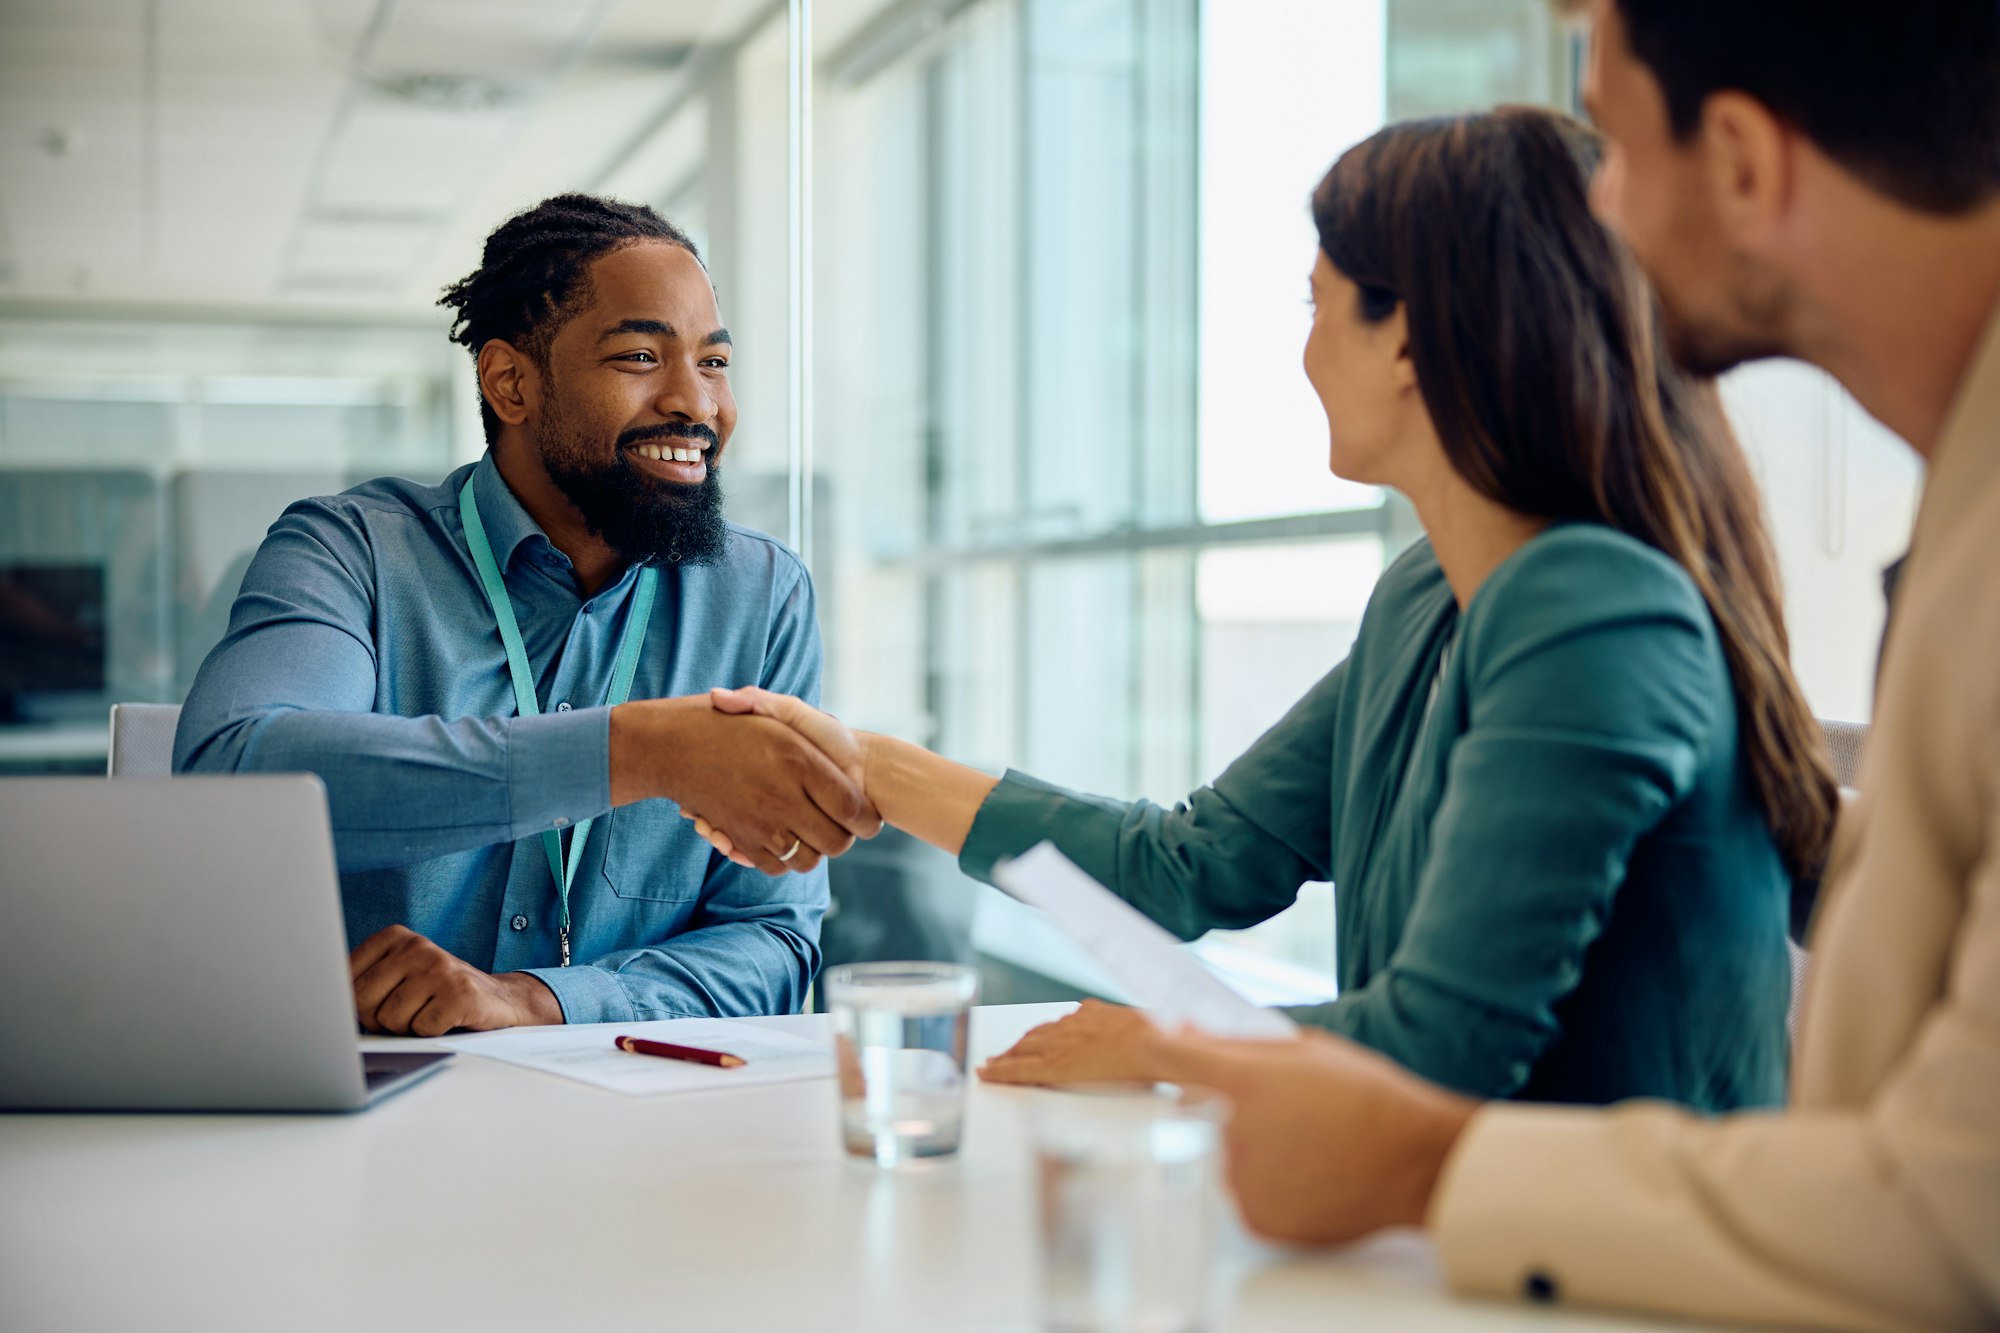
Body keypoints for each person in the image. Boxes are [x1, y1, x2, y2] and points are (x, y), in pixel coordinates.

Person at [1073, 2, 2000, 1329]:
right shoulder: (1952, 518)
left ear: (1742, 159)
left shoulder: (1600, 598)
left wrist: (1410, 1159)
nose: (1594, 215)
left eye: (1613, 152)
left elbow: (1956, 1213)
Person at [694, 106, 1835, 1113]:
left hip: (1628, 1269)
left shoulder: (1592, 605)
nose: (1300, 351)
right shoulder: (1426, 597)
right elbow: (1189, 866)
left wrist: (1163, 1046)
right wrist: (865, 767)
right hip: (1457, 1232)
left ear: (1408, 338)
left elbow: (1442, 1046)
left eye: (1317, 303)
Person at [175, 194, 880, 1037]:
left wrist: (538, 1000)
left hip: (640, 1111)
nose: (698, 405)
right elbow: (233, 770)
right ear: (511, 382)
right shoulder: (351, 551)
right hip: (364, 1097)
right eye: (641, 356)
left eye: (715, 362)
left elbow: (770, 937)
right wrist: (641, 750)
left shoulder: (762, 598)